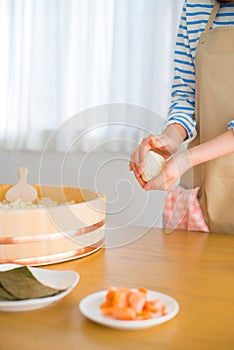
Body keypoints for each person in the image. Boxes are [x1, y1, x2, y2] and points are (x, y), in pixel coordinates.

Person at [130, 0, 234, 234]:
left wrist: (186, 159)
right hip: (207, 189)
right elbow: (187, 93)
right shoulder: (196, 5)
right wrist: (171, 137)